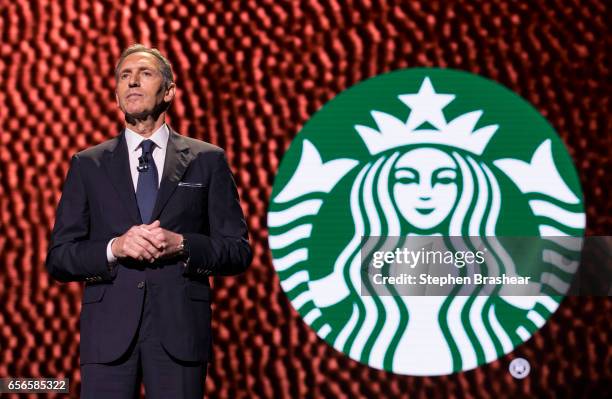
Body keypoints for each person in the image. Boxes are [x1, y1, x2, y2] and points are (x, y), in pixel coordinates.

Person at [45, 44, 252, 398]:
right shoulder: (87, 165)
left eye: (145, 73)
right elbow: (60, 258)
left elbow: (237, 251)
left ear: (169, 91)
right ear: (116, 98)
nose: (133, 82)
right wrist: (114, 248)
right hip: (107, 337)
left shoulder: (207, 160)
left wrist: (184, 245)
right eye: (124, 76)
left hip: (180, 334)